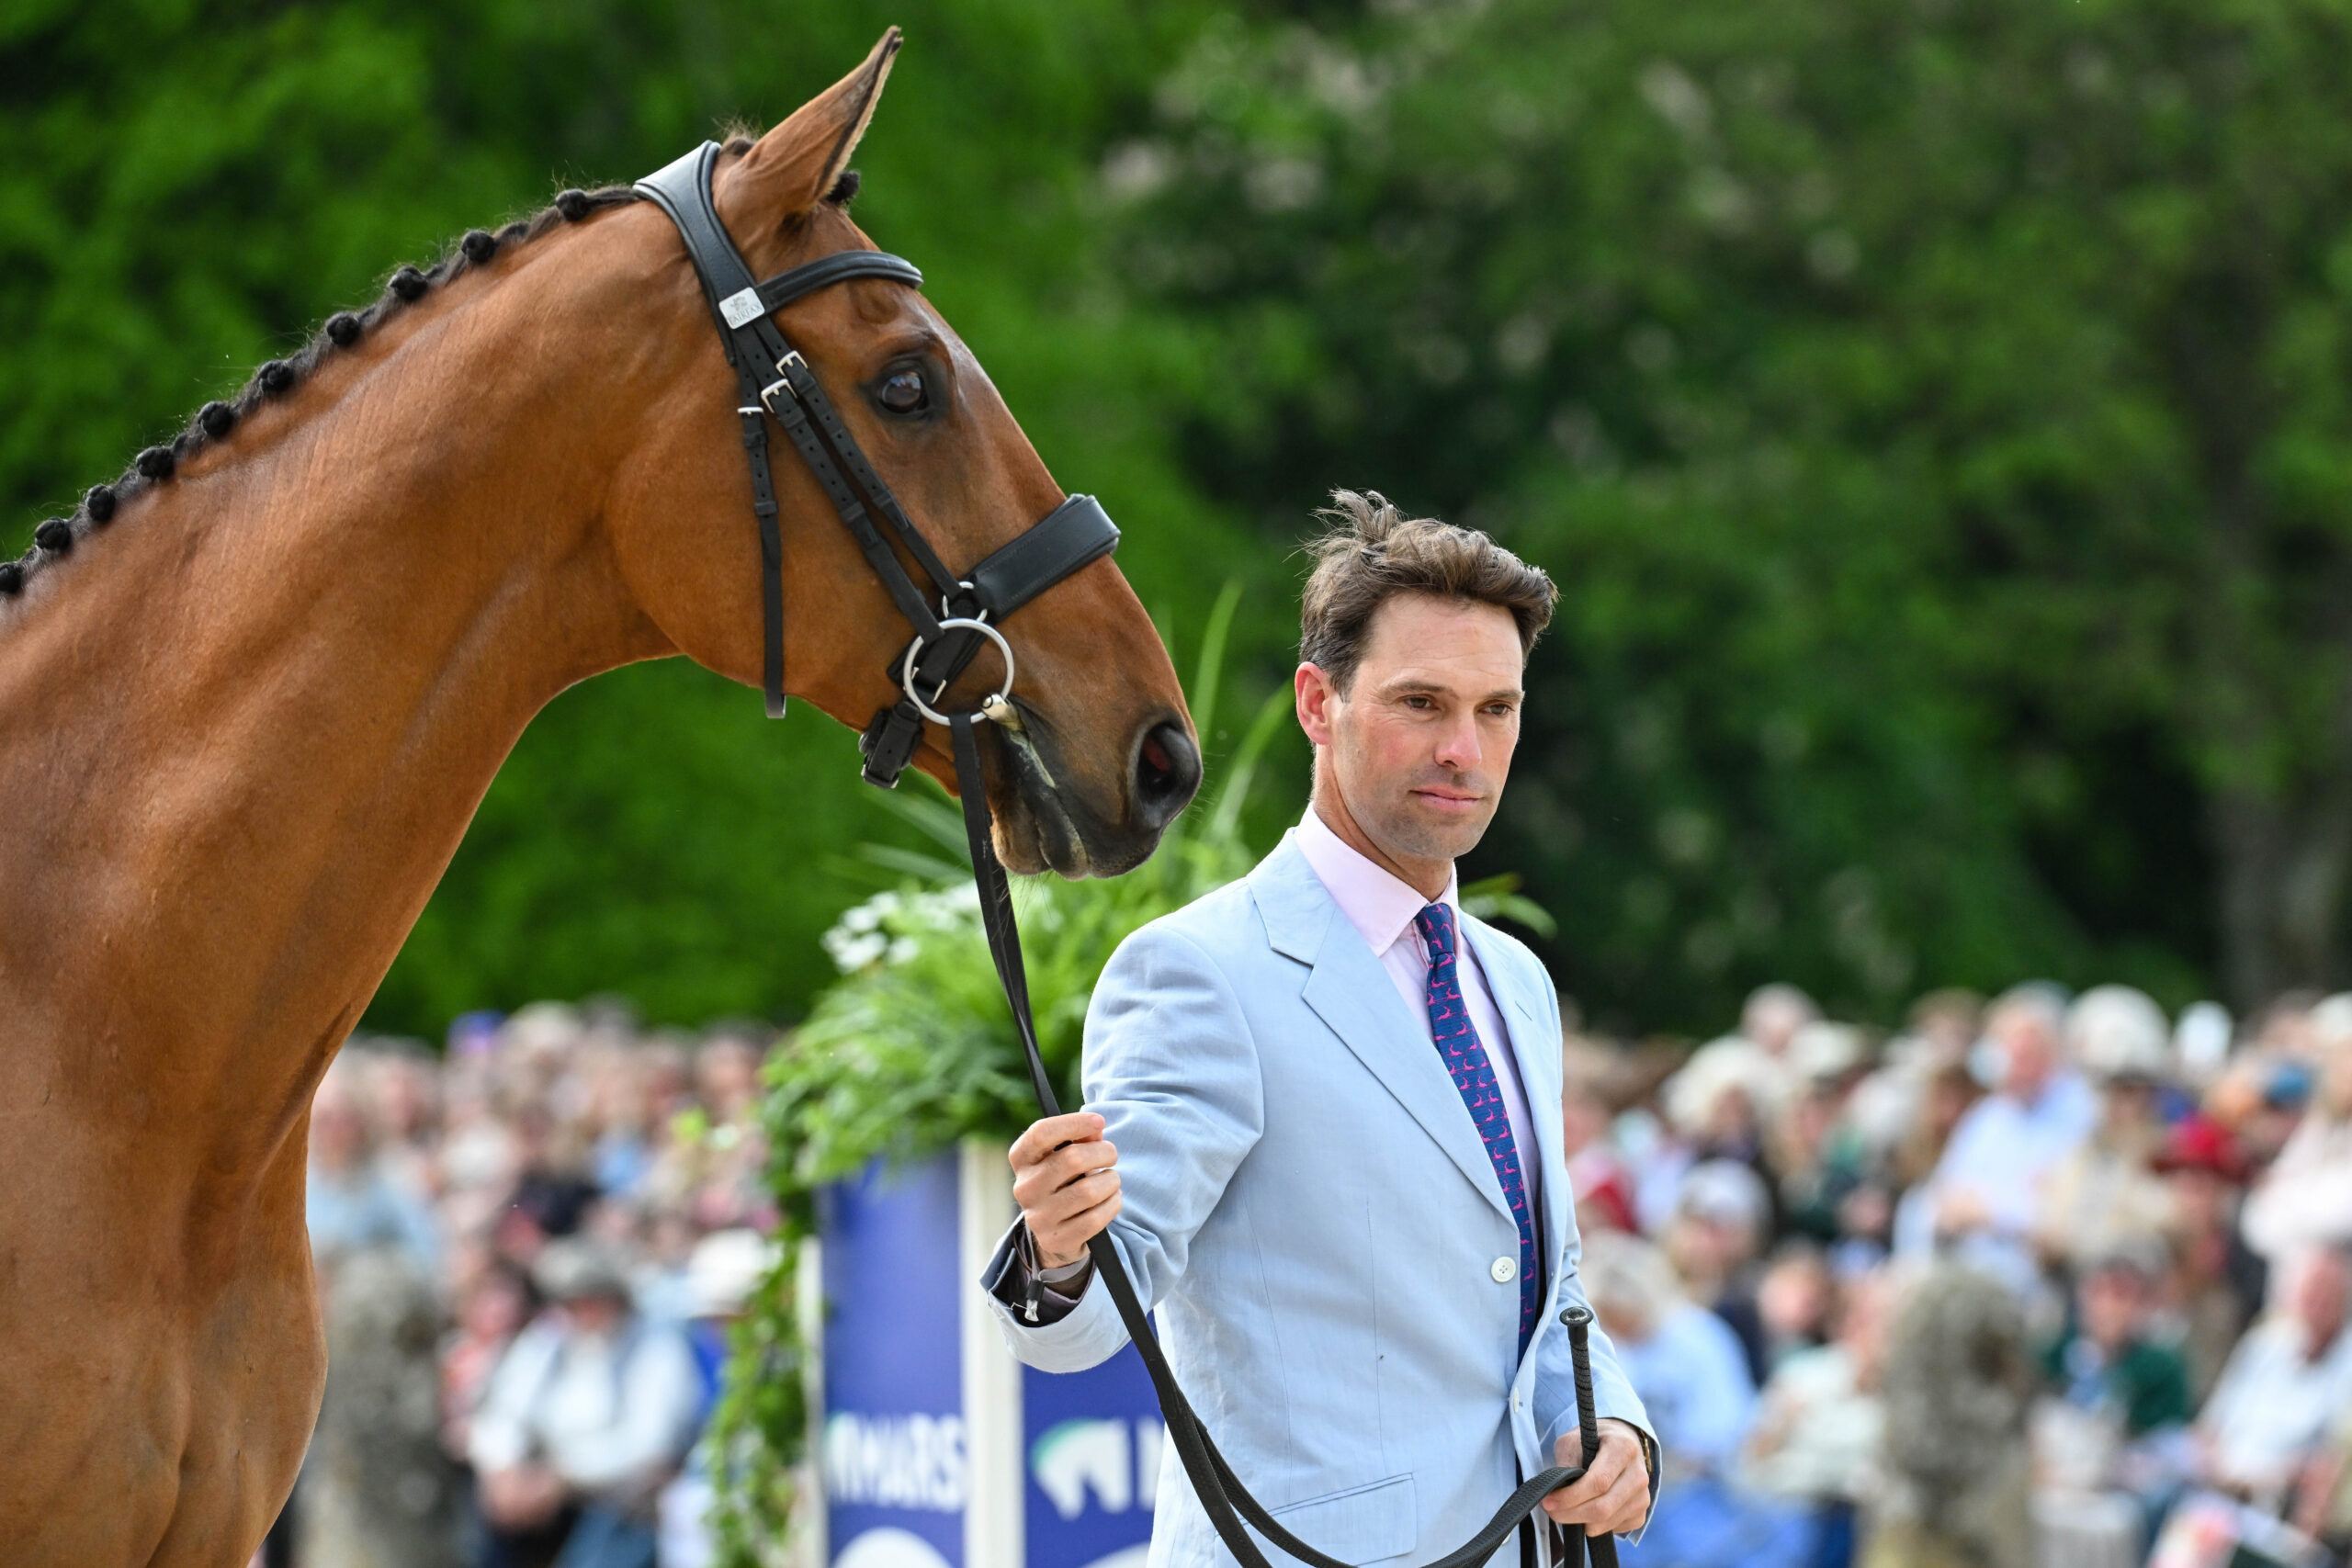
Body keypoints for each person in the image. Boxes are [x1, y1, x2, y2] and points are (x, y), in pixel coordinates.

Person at [982, 491, 1656, 1565]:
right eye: (1421, 703)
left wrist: (1608, 1423)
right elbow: (1097, 1310)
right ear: (1316, 703)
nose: (1464, 749)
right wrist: (1059, 1252)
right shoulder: (1197, 972)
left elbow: (1544, 1288)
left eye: (1496, 709)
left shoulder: (1516, 981)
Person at [468, 1239, 706, 1568]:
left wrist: (563, 1478)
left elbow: (650, 1446)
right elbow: (505, 1410)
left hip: (622, 1506)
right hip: (543, 1497)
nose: (581, 1310)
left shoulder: (656, 1347)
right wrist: (503, 1468)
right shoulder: (548, 1340)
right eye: (571, 1301)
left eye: (590, 1299)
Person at [1893, 984, 2096, 1292]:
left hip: (2038, 1281)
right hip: (1968, 1268)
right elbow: (1945, 1195)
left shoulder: (2081, 1112)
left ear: (2053, 1053)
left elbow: (2060, 1215)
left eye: (2029, 1052)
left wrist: (1990, 1213)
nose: (2019, 1063)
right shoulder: (1988, 1117)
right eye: (2011, 1051)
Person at [2194, 1243, 2352, 1508]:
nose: (2318, 1302)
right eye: (2310, 1291)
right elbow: (2209, 1428)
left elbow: (2328, 1461)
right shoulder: (2263, 1345)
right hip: (2214, 1485)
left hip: (2275, 1501)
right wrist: (2214, 1470)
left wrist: (2256, 1481)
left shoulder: (2346, 1365)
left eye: (2328, 1292)